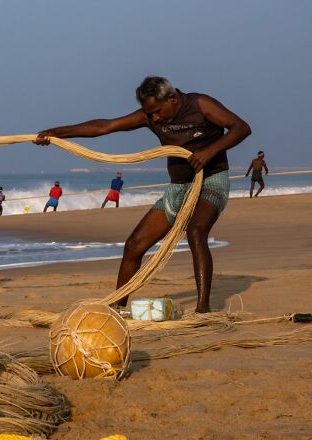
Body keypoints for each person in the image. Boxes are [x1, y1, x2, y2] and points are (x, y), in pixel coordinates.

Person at [35, 76, 251, 313]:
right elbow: (104, 126)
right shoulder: (149, 116)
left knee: (196, 231)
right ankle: (117, 309)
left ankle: (203, 310)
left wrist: (209, 152)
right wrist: (56, 133)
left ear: (172, 98)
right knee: (134, 245)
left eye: (157, 111)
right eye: (150, 114)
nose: (155, 118)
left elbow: (241, 128)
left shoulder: (200, 104)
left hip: (211, 181)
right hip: (178, 188)